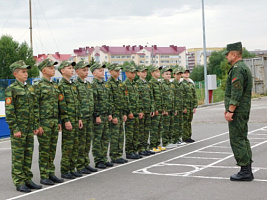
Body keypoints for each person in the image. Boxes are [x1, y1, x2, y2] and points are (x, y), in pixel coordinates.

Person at [5, 60, 42, 192]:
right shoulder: (11, 89)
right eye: (23, 72)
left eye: (26, 72)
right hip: (19, 129)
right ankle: (19, 181)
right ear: (16, 74)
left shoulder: (30, 88)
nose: (26, 74)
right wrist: (15, 129)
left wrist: (35, 125)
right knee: (18, 156)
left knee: (28, 155)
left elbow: (34, 108)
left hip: (29, 128)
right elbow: (9, 111)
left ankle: (27, 179)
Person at [223, 41, 253, 181]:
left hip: (238, 110)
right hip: (242, 109)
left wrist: (230, 110)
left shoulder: (238, 69)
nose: (226, 57)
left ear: (234, 54)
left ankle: (245, 170)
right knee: (242, 137)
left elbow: (236, 91)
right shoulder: (243, 67)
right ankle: (247, 169)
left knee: (237, 139)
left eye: (227, 54)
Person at [35, 58, 64, 185]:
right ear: (44, 70)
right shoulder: (38, 86)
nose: (53, 70)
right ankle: (44, 175)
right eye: (51, 68)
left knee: (52, 149)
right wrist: (38, 124)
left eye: (54, 68)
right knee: (44, 150)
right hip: (44, 123)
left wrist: (58, 121)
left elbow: (57, 105)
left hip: (53, 121)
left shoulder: (54, 86)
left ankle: (51, 173)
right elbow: (35, 107)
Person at [58, 60, 83, 179]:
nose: (72, 70)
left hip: (75, 119)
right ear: (62, 71)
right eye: (69, 68)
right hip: (68, 120)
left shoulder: (73, 85)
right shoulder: (61, 86)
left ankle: (72, 168)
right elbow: (62, 105)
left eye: (72, 68)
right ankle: (65, 170)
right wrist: (66, 120)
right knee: (68, 147)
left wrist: (78, 118)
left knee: (75, 145)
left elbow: (77, 103)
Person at [74, 61, 98, 174]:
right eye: (84, 70)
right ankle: (79, 165)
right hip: (82, 118)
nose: (86, 72)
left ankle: (85, 163)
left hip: (89, 117)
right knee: (81, 143)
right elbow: (76, 103)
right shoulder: (75, 85)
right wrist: (78, 117)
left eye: (87, 70)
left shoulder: (88, 84)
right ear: (77, 71)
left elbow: (91, 101)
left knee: (88, 142)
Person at [91, 63, 114, 169]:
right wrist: (97, 115)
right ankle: (98, 160)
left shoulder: (104, 85)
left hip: (106, 115)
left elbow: (108, 100)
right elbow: (94, 102)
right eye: (100, 70)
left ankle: (104, 158)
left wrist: (110, 113)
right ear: (94, 73)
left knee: (106, 138)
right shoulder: (93, 85)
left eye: (103, 70)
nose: (102, 72)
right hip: (99, 116)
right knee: (97, 139)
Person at [106, 63, 128, 164]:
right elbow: (109, 101)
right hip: (115, 113)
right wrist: (113, 115)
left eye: (119, 71)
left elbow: (123, 99)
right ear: (110, 71)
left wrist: (124, 113)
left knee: (120, 135)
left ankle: (119, 154)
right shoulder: (109, 84)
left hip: (120, 112)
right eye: (116, 71)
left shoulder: (120, 83)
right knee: (114, 136)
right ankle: (114, 155)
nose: (118, 72)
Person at [123, 64, 144, 159]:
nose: (134, 74)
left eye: (134, 72)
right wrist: (129, 112)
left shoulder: (135, 84)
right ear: (126, 73)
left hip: (136, 112)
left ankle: (134, 150)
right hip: (130, 113)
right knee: (130, 134)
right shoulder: (125, 85)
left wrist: (140, 110)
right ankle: (129, 151)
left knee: (136, 133)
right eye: (132, 72)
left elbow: (138, 99)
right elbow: (125, 100)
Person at [136, 65, 155, 156]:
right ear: (138, 73)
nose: (144, 73)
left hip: (148, 110)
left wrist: (152, 108)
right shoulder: (137, 83)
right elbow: (138, 98)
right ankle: (140, 149)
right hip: (142, 110)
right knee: (141, 130)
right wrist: (140, 110)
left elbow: (151, 97)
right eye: (142, 72)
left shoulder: (147, 83)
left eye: (145, 72)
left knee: (146, 129)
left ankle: (145, 147)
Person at [148, 66, 166, 152]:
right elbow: (152, 97)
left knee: (159, 128)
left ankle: (157, 144)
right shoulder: (151, 83)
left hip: (160, 109)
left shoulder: (159, 83)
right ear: (152, 73)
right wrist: (154, 109)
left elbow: (161, 97)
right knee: (154, 128)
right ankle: (152, 145)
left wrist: (163, 108)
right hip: (156, 110)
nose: (158, 73)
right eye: (156, 71)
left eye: (159, 71)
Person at [160, 67, 176, 149]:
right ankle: (165, 142)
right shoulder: (162, 85)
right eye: (167, 74)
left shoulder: (171, 84)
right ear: (162, 75)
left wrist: (174, 108)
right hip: (166, 109)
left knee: (171, 126)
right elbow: (162, 97)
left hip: (171, 108)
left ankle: (170, 141)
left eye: (169, 74)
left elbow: (173, 97)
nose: (168, 75)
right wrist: (164, 109)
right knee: (165, 126)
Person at [182, 69, 197, 143]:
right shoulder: (182, 83)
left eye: (187, 73)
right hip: (185, 106)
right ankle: (185, 137)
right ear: (182, 74)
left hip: (191, 106)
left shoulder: (191, 83)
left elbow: (194, 95)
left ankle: (189, 136)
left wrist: (195, 106)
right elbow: (181, 96)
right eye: (185, 73)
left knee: (189, 121)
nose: (186, 74)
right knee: (185, 122)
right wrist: (183, 107)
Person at [171, 68, 186, 145]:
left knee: (180, 124)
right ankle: (174, 139)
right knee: (175, 124)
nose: (179, 76)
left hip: (181, 106)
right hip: (176, 107)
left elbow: (183, 96)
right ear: (174, 75)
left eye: (180, 74)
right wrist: (174, 108)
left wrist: (184, 107)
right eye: (177, 74)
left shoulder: (181, 84)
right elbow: (172, 97)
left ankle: (179, 138)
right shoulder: (173, 84)